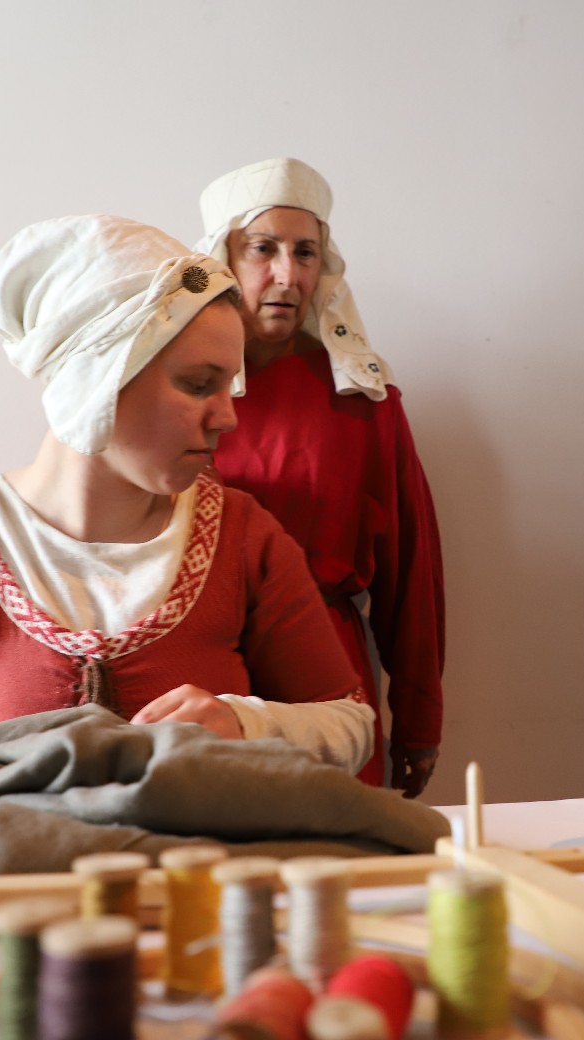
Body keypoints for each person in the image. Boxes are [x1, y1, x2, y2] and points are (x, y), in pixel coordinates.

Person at [0, 215, 373, 771]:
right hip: (7, 846)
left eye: (229, 387)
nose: (227, 417)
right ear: (96, 378)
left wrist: (246, 725)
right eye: (199, 384)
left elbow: (350, 723)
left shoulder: (243, 537)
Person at [196, 158, 445, 797]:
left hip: (327, 682)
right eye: (263, 249)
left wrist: (419, 719)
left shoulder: (364, 400)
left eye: (305, 252)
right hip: (200, 679)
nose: (288, 274)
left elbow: (411, 573)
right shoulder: (174, 395)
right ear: (222, 258)